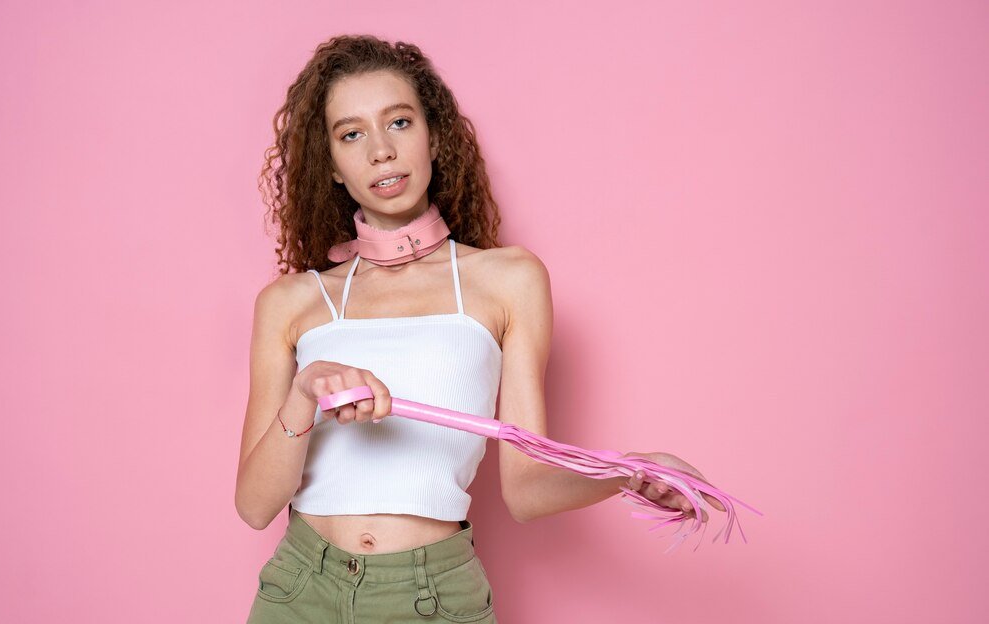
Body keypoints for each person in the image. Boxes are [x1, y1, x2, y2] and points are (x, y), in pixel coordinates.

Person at [235, 34, 725, 623]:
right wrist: (302, 391)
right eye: (352, 134)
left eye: (399, 122)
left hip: (433, 597)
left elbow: (526, 488)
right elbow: (255, 506)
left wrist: (630, 471)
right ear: (333, 168)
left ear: (434, 137)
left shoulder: (508, 280)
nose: (382, 152)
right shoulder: (289, 302)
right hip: (300, 591)